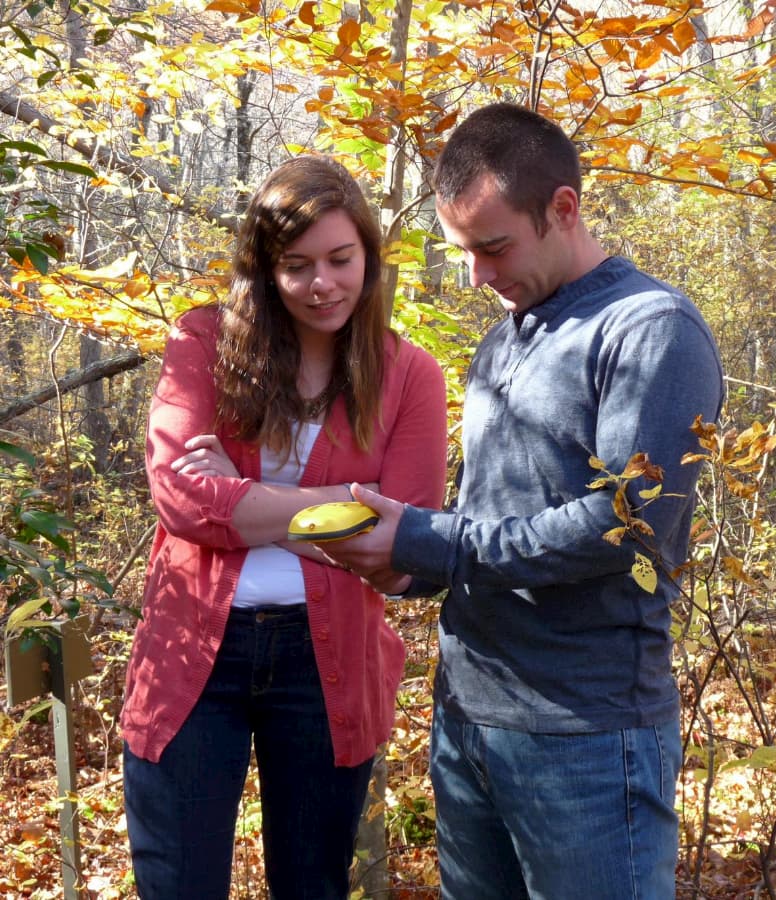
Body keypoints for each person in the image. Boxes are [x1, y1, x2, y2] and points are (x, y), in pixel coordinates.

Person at [323, 103, 724, 899]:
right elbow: (490, 519)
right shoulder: (504, 340)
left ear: (563, 208)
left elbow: (627, 527)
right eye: (462, 250)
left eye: (493, 246)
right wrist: (398, 561)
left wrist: (430, 542)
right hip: (469, 718)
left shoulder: (649, 329)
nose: (476, 274)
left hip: (586, 733)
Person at [120, 155, 448, 900]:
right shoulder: (202, 343)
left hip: (327, 662)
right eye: (296, 266)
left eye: (340, 259)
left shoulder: (408, 375)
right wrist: (337, 506)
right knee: (179, 886)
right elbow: (179, 498)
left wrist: (246, 499)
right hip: (193, 656)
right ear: (264, 269)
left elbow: (399, 539)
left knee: (313, 885)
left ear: (368, 254)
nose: (321, 283)